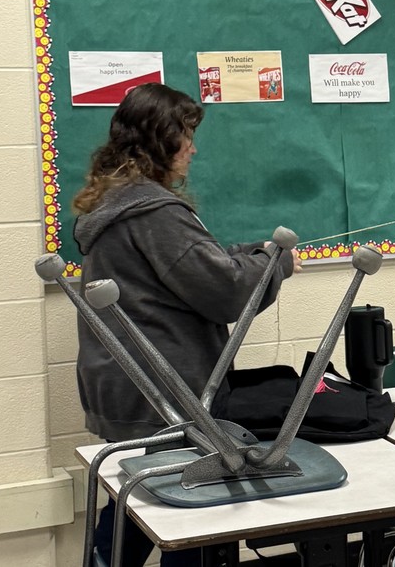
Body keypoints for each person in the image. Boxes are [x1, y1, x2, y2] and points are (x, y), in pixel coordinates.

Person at [72, 82, 299, 567]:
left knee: (140, 502)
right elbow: (225, 292)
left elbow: (193, 269)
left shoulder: (120, 203)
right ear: (160, 140)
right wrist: (273, 262)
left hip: (126, 384)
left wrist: (251, 254)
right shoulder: (156, 213)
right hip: (165, 391)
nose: (193, 148)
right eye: (186, 135)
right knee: (191, 515)